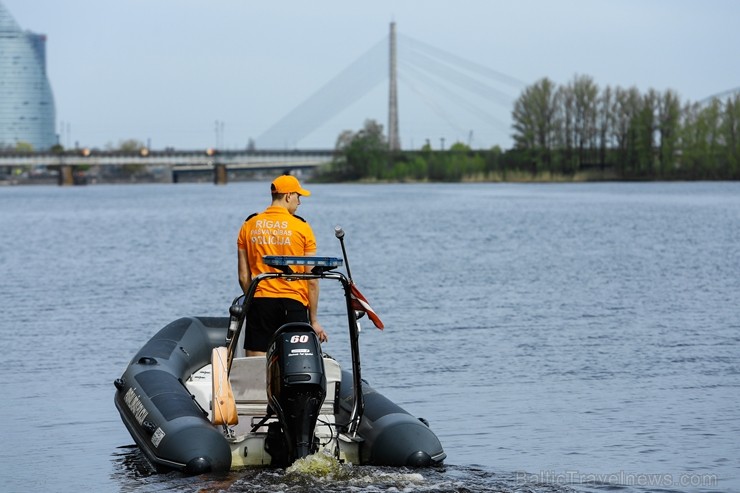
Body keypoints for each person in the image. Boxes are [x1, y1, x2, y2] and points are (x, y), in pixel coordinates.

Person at [237, 174, 328, 356]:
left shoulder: (249, 225)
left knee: (256, 367)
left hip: (260, 302)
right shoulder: (302, 227)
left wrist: (253, 301)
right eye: (298, 196)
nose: (299, 202)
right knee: (295, 360)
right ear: (288, 196)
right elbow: (312, 280)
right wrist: (314, 320)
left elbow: (243, 277)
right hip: (293, 304)